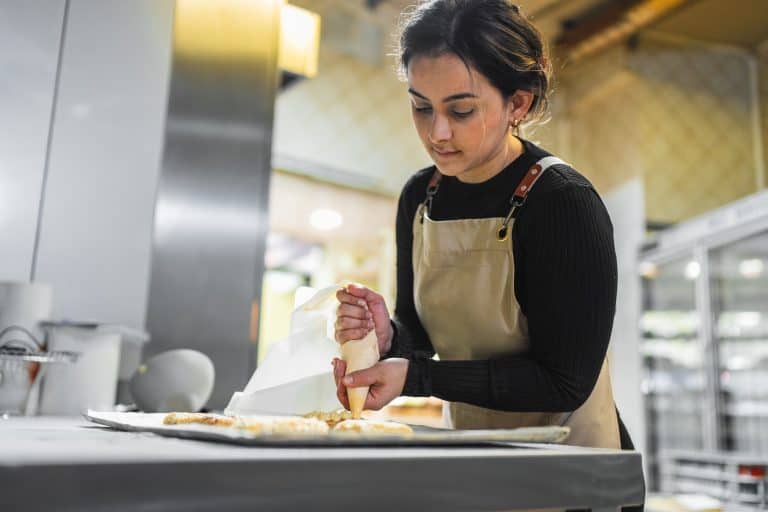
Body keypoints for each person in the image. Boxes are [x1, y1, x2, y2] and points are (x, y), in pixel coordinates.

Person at [331, 0, 641, 484]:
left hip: (572, 472)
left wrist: (417, 378)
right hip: (478, 463)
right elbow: (424, 333)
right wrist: (389, 338)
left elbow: (564, 381)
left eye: (461, 109)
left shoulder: (562, 202)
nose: (437, 132)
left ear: (517, 103)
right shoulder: (421, 196)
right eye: (420, 106)